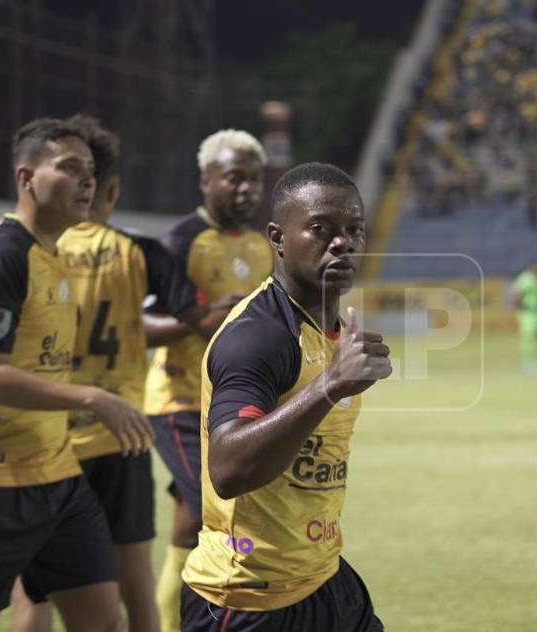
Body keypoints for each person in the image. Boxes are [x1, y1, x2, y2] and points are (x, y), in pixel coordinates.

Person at [0, 118, 153, 631]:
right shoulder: (1, 255)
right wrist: (92, 397)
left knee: (103, 622)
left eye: (90, 170)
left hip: (56, 476)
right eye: (69, 168)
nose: (86, 180)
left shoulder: (52, 256)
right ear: (26, 178)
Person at [181, 163, 391, 630]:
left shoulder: (328, 329)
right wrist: (329, 385)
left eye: (354, 229)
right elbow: (228, 469)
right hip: (248, 598)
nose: (343, 242)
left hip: (322, 577)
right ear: (277, 238)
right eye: (321, 229)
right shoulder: (258, 336)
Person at [142, 129, 273, 632]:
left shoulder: (263, 246)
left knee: (194, 518)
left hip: (236, 403)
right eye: (234, 178)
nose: (246, 189)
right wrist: (197, 320)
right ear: (206, 180)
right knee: (211, 505)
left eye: (254, 180)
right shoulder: (179, 243)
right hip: (179, 401)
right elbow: (137, 325)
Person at [510, 262, 537, 374]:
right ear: (533, 267)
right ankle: (527, 363)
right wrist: (520, 306)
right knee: (528, 338)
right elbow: (516, 292)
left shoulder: (535, 279)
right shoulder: (525, 278)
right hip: (528, 313)